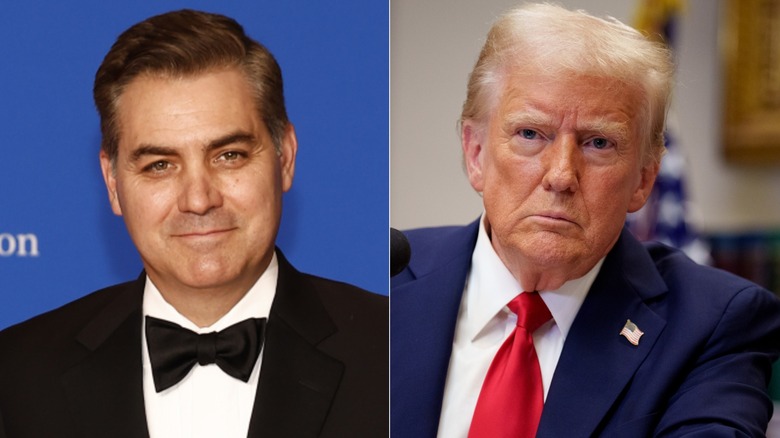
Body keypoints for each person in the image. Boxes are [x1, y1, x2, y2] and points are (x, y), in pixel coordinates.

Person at [391, 3, 780, 437]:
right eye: (531, 134)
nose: (560, 175)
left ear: (644, 178)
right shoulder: (382, 282)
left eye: (598, 143)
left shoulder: (711, 325)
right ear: (475, 152)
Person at [0, 9, 387, 438]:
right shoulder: (16, 374)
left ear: (285, 157)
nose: (199, 200)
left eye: (229, 155)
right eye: (160, 165)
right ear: (112, 183)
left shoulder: (392, 350)